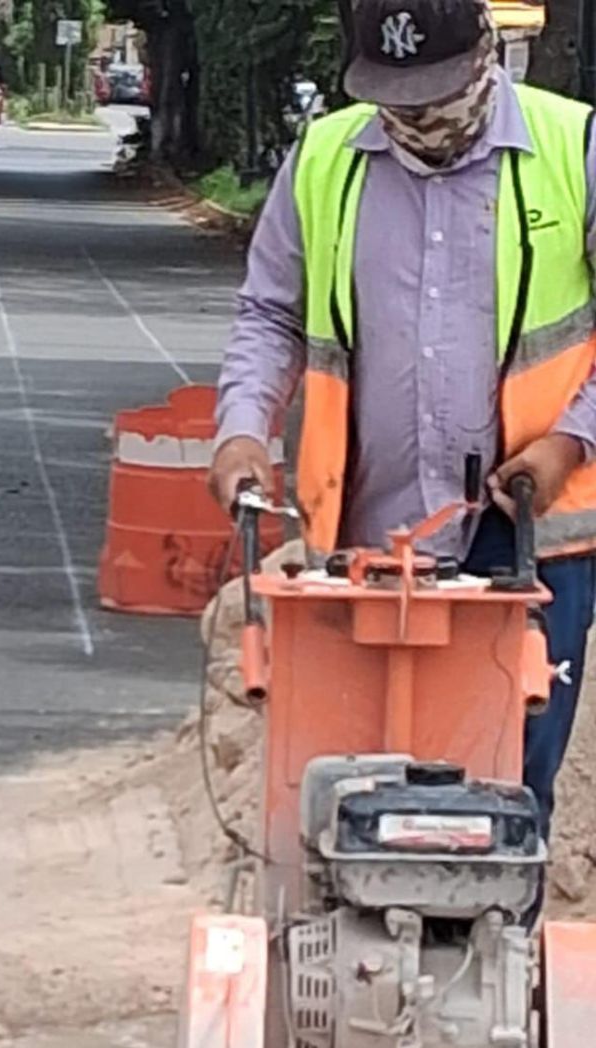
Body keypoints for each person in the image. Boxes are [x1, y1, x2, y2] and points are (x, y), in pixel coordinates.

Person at [210, 0, 596, 844]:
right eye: (396, 96)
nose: (416, 116)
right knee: (352, 787)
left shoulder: (577, 149)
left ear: (484, 52)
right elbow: (270, 314)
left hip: (529, 534)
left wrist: (570, 440)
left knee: (506, 789)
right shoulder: (324, 160)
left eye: (434, 91)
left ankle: (499, 957)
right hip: (367, 538)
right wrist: (242, 428)